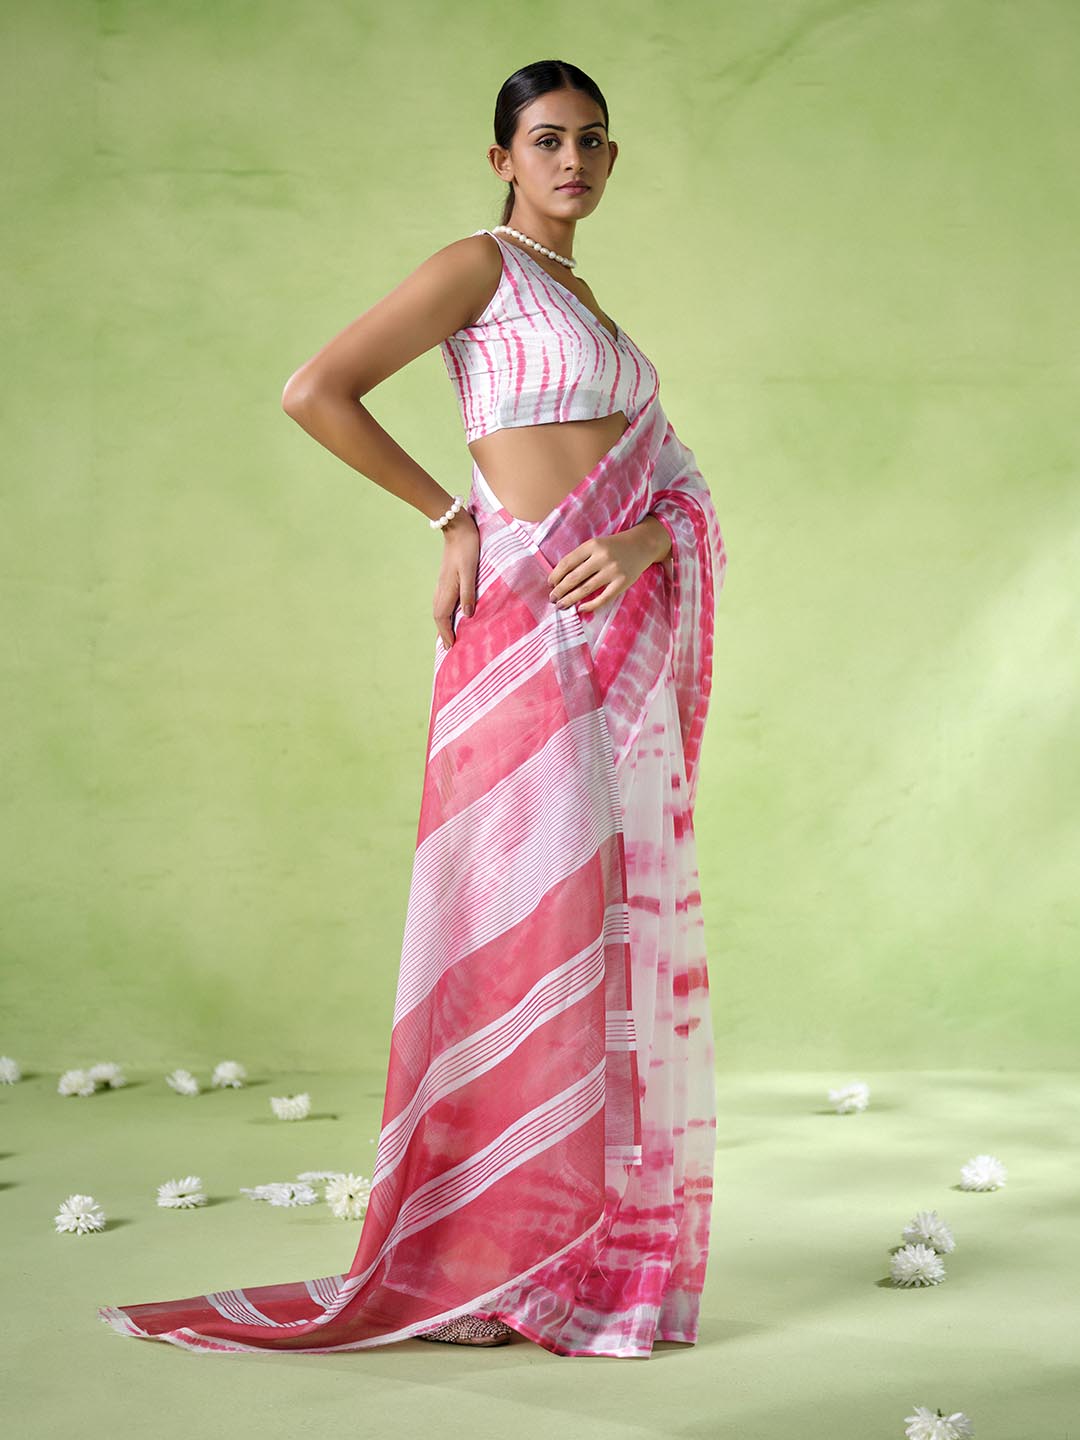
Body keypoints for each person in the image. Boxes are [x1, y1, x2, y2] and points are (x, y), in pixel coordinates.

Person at [97, 58, 728, 1360]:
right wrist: (452, 517)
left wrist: (649, 543)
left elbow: (675, 481)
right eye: (547, 140)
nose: (573, 161)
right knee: (512, 932)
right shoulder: (478, 268)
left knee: (589, 934)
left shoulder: (592, 306)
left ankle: (566, 1261)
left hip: (607, 638)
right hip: (521, 634)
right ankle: (475, 1263)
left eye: (593, 141)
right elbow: (314, 389)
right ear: (503, 158)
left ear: (612, 159)